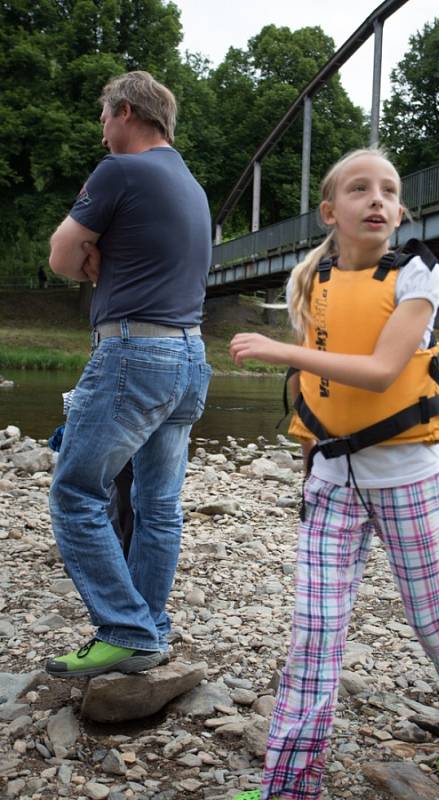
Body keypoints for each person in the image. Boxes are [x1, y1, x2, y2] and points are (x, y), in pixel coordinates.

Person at [229, 148, 439, 799]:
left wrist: (276, 349)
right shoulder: (313, 281)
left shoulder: (417, 276)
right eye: (359, 189)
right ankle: (289, 784)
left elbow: (382, 371)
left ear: (399, 210)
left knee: (433, 615)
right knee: (314, 631)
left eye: (388, 189)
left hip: (406, 477)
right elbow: (311, 391)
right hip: (330, 482)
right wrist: (305, 473)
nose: (376, 199)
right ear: (331, 211)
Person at [46, 70, 212, 678]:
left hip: (133, 355)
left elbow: (63, 256)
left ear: (124, 110)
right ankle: (151, 628)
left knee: (75, 493)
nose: (100, 130)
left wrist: (93, 257)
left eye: (102, 118)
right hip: (190, 356)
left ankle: (126, 629)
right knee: (158, 504)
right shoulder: (190, 183)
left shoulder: (121, 171)